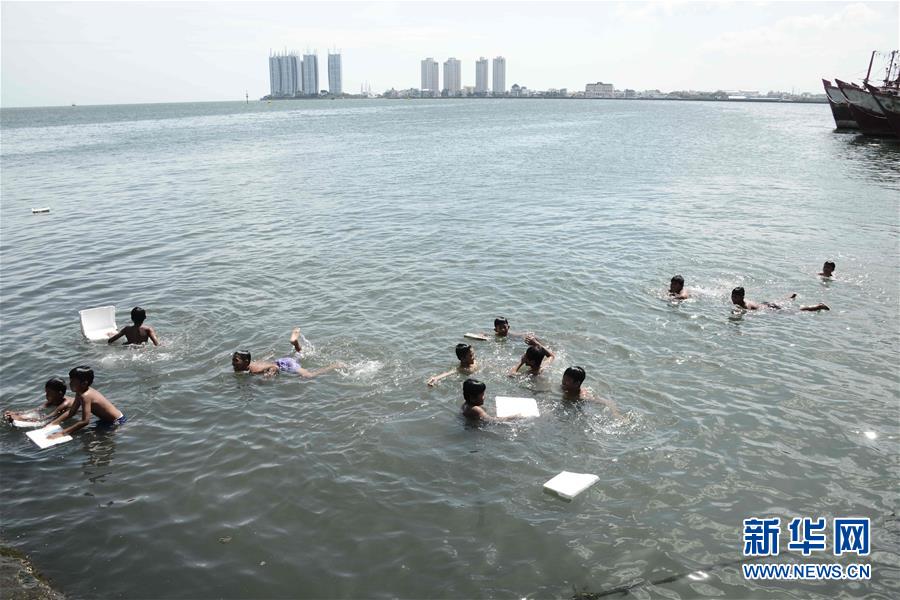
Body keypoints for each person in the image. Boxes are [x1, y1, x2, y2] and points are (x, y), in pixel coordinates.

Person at [47, 367, 125, 439]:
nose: (70, 383)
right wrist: (53, 423)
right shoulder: (79, 392)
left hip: (116, 422)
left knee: (88, 438)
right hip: (106, 421)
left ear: (84, 383)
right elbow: (71, 412)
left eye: (73, 381)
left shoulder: (85, 396)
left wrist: (62, 433)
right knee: (84, 435)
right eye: (70, 380)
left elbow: (85, 421)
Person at [231, 328, 343, 378]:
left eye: (236, 361)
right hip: (282, 361)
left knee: (309, 375)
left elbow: (273, 366)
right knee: (299, 355)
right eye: (233, 360)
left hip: (286, 365)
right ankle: (295, 343)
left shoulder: (255, 370)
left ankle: (335, 365)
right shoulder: (250, 364)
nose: (233, 363)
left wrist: (269, 376)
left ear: (246, 362)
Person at [4, 377, 75, 425]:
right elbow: (38, 409)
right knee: (36, 414)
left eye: (49, 393)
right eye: (46, 392)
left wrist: (21, 419)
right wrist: (17, 413)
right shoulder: (54, 399)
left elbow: (49, 417)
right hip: (59, 409)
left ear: (60, 394)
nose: (46, 395)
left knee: (48, 418)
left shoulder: (66, 403)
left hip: (77, 411)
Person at [731, 287, 829, 312]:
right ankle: (790, 298)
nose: (733, 299)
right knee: (779, 302)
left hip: (770, 309)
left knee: (796, 311)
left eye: (735, 297)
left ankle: (818, 306)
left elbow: (746, 312)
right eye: (732, 296)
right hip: (766, 304)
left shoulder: (745, 305)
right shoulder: (743, 301)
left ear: (742, 297)